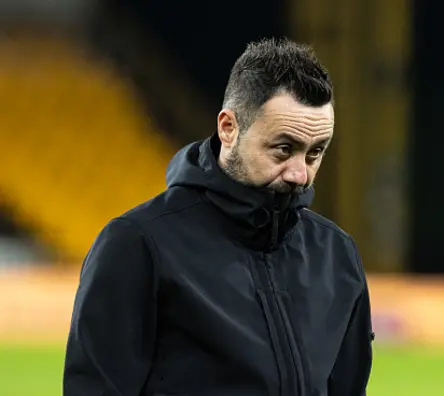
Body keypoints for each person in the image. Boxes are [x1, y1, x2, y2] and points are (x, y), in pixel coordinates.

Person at [63, 38, 374, 396]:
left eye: (315, 153)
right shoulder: (137, 243)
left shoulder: (337, 254)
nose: (299, 173)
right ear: (228, 128)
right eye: (283, 149)